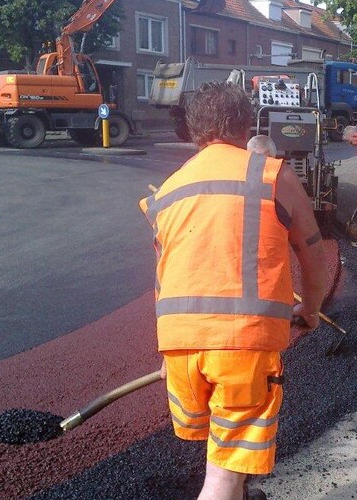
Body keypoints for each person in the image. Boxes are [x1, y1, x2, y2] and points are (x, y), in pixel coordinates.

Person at [139, 81, 327, 500]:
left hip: (180, 345)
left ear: (193, 130)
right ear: (246, 125)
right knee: (222, 474)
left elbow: (163, 276)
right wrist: (311, 309)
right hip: (242, 345)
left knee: (220, 444)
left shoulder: (167, 191)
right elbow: (314, 256)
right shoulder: (271, 174)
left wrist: (169, 352)